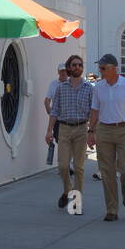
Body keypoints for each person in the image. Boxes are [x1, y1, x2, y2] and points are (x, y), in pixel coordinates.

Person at [87, 53, 125, 221]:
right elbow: (95, 110)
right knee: (107, 172)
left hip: (124, 130)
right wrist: (91, 131)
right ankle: (111, 209)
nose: (100, 70)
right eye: (100, 68)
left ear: (114, 69)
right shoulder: (99, 87)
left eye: (103, 68)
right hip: (104, 130)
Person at [46, 56, 93, 209]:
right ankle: (67, 190)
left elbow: (94, 112)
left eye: (80, 65)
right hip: (64, 128)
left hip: (81, 128)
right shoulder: (61, 87)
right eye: (74, 65)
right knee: (63, 166)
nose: (78, 67)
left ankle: (76, 202)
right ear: (69, 68)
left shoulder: (89, 88)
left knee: (79, 167)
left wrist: (93, 132)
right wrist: (49, 131)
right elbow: (54, 110)